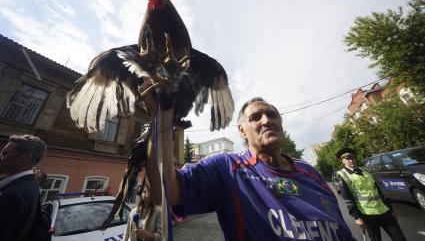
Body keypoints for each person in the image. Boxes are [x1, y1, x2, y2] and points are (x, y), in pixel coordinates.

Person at [145, 96, 355, 240]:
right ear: (242, 131)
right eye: (255, 117)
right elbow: (164, 191)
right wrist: (161, 118)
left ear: (281, 122)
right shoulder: (227, 168)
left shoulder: (312, 173)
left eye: (272, 114)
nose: (266, 121)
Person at [336, 147, 406, 241]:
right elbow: (348, 198)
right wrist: (357, 217)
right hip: (368, 215)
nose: (351, 160)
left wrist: (390, 209)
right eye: (347, 159)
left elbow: (378, 191)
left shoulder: (365, 170)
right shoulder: (342, 174)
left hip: (384, 211)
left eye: (352, 158)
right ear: (343, 161)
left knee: (400, 238)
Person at [0, 134, 47, 241]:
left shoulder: (15, 193)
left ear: (26, 156)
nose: (1, 157)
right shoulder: (27, 186)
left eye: (5, 153)